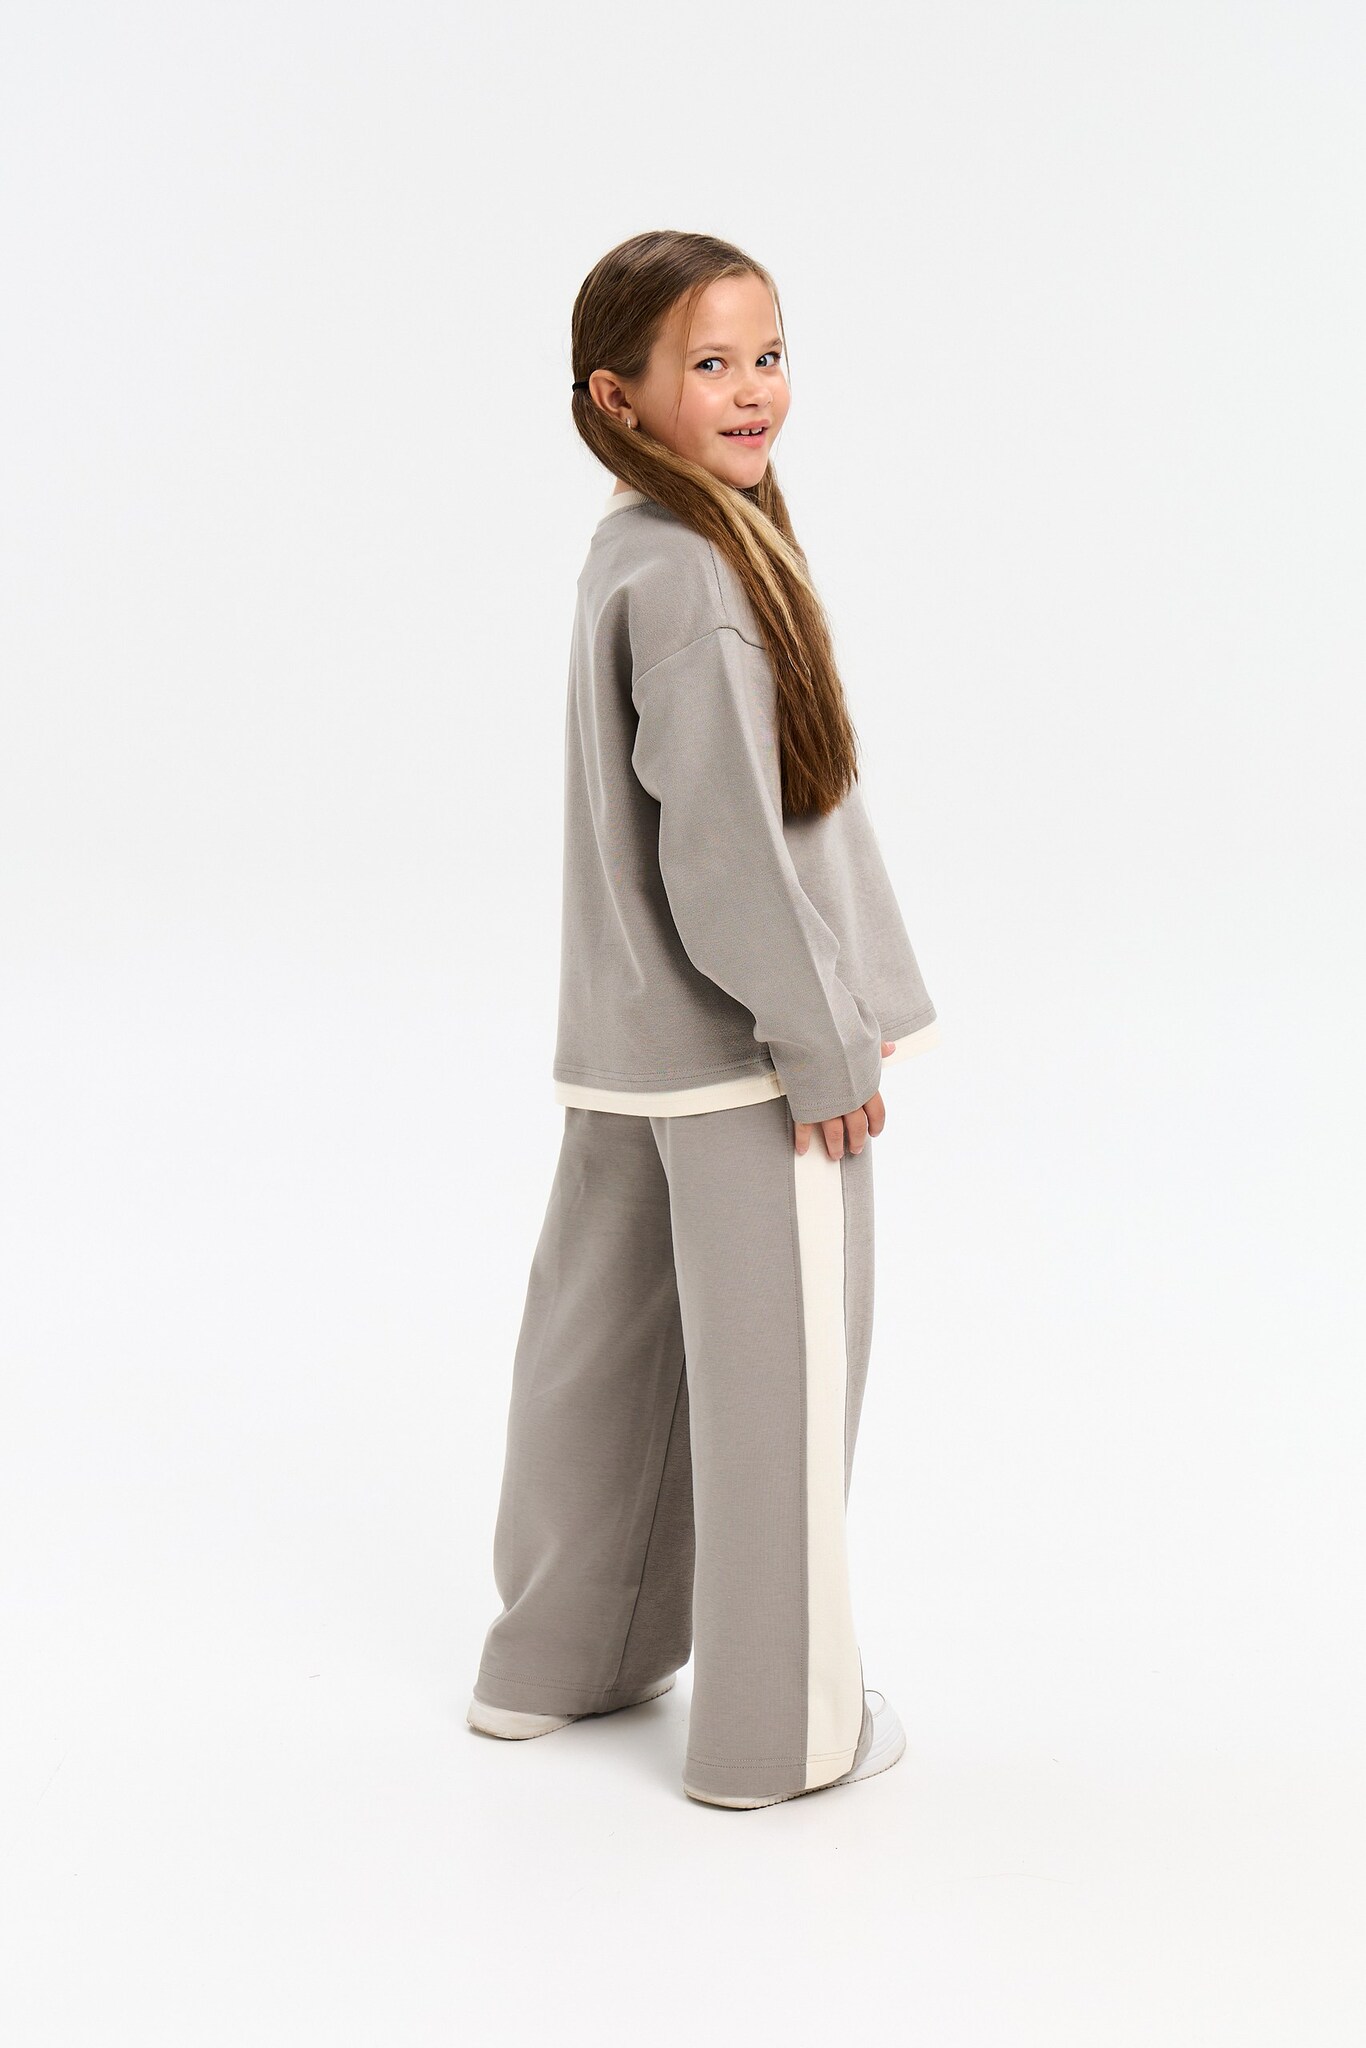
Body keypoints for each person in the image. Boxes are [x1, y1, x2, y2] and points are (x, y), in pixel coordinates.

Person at [467, 230, 940, 1809]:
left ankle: (556, 1660)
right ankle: (777, 1736)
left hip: (627, 1045)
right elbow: (723, 844)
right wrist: (819, 1039)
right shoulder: (697, 572)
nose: (752, 391)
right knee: (776, 1397)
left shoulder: (635, 548)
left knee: (598, 1368)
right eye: (710, 364)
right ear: (617, 399)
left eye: (768, 355)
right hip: (740, 1059)